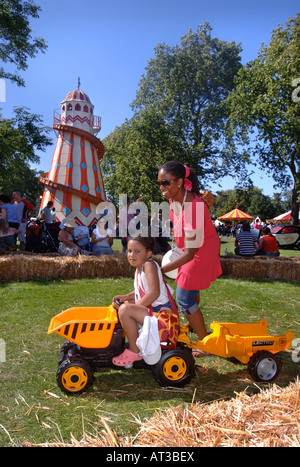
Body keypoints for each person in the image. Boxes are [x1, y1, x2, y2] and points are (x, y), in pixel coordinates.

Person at [157, 160, 222, 342]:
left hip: (201, 251)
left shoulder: (193, 207)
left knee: (184, 298)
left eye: (166, 182)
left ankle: (205, 343)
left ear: (179, 182)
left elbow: (191, 253)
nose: (161, 187)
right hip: (189, 247)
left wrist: (159, 270)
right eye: (159, 183)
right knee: (191, 291)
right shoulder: (174, 198)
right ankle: (193, 323)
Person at [111, 236, 173, 367]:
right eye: (129, 251)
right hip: (153, 310)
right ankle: (132, 341)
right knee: (123, 306)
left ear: (148, 253)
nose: (131, 255)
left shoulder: (149, 265)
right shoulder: (140, 268)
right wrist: (126, 297)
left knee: (126, 310)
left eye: (137, 251)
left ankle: (135, 350)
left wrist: (132, 307)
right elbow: (141, 292)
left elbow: (153, 293)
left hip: (161, 315)